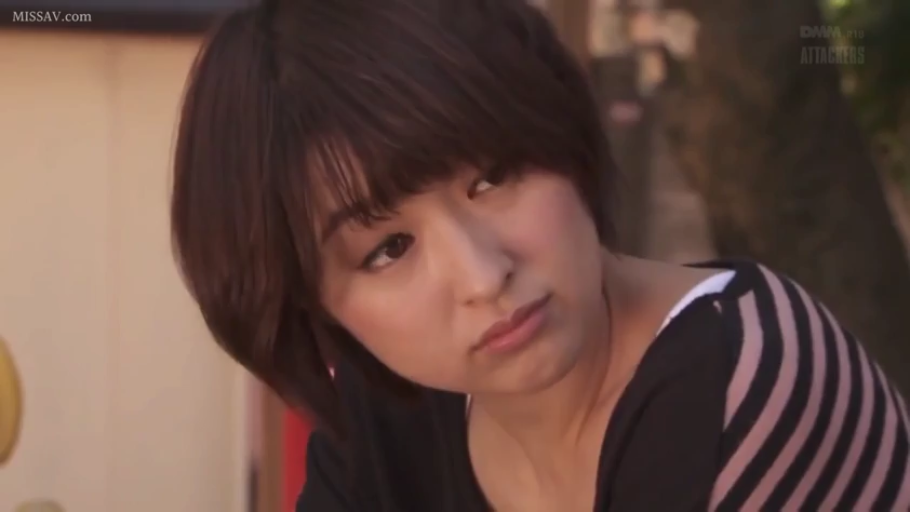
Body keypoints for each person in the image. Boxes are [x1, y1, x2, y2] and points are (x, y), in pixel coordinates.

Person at [169, 0, 910, 510]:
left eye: (494, 177)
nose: (483, 275)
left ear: (559, 132)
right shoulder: (389, 419)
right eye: (388, 249)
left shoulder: (745, 380)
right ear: (317, 308)